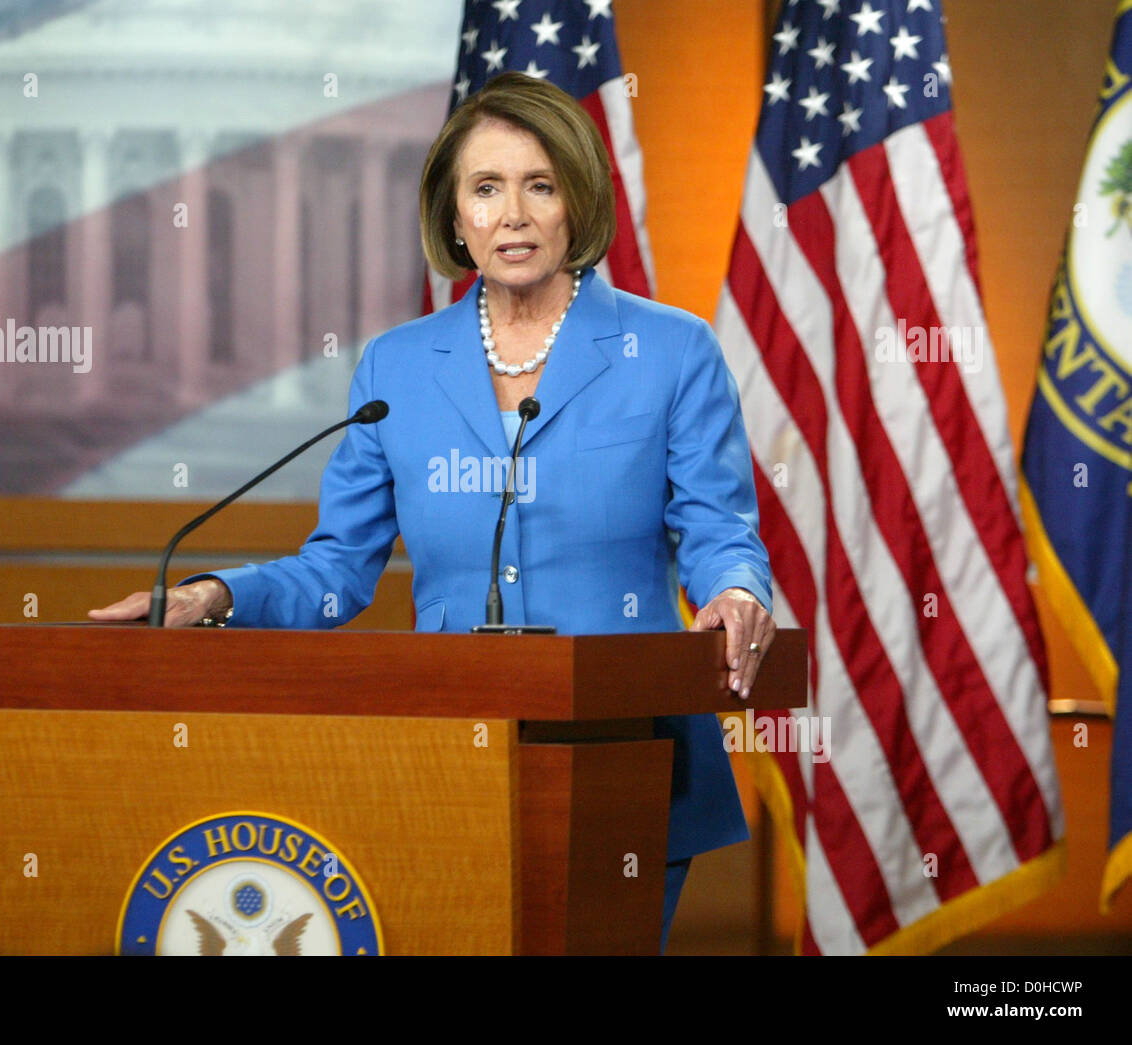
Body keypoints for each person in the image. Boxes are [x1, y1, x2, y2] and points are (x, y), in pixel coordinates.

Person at [91, 71, 776, 953]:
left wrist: (735, 590)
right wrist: (216, 594)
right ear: (454, 218)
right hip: (448, 764)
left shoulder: (672, 350)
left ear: (578, 200)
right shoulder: (396, 369)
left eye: (540, 183)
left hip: (631, 762)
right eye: (486, 188)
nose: (514, 214)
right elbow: (337, 569)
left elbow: (720, 531)